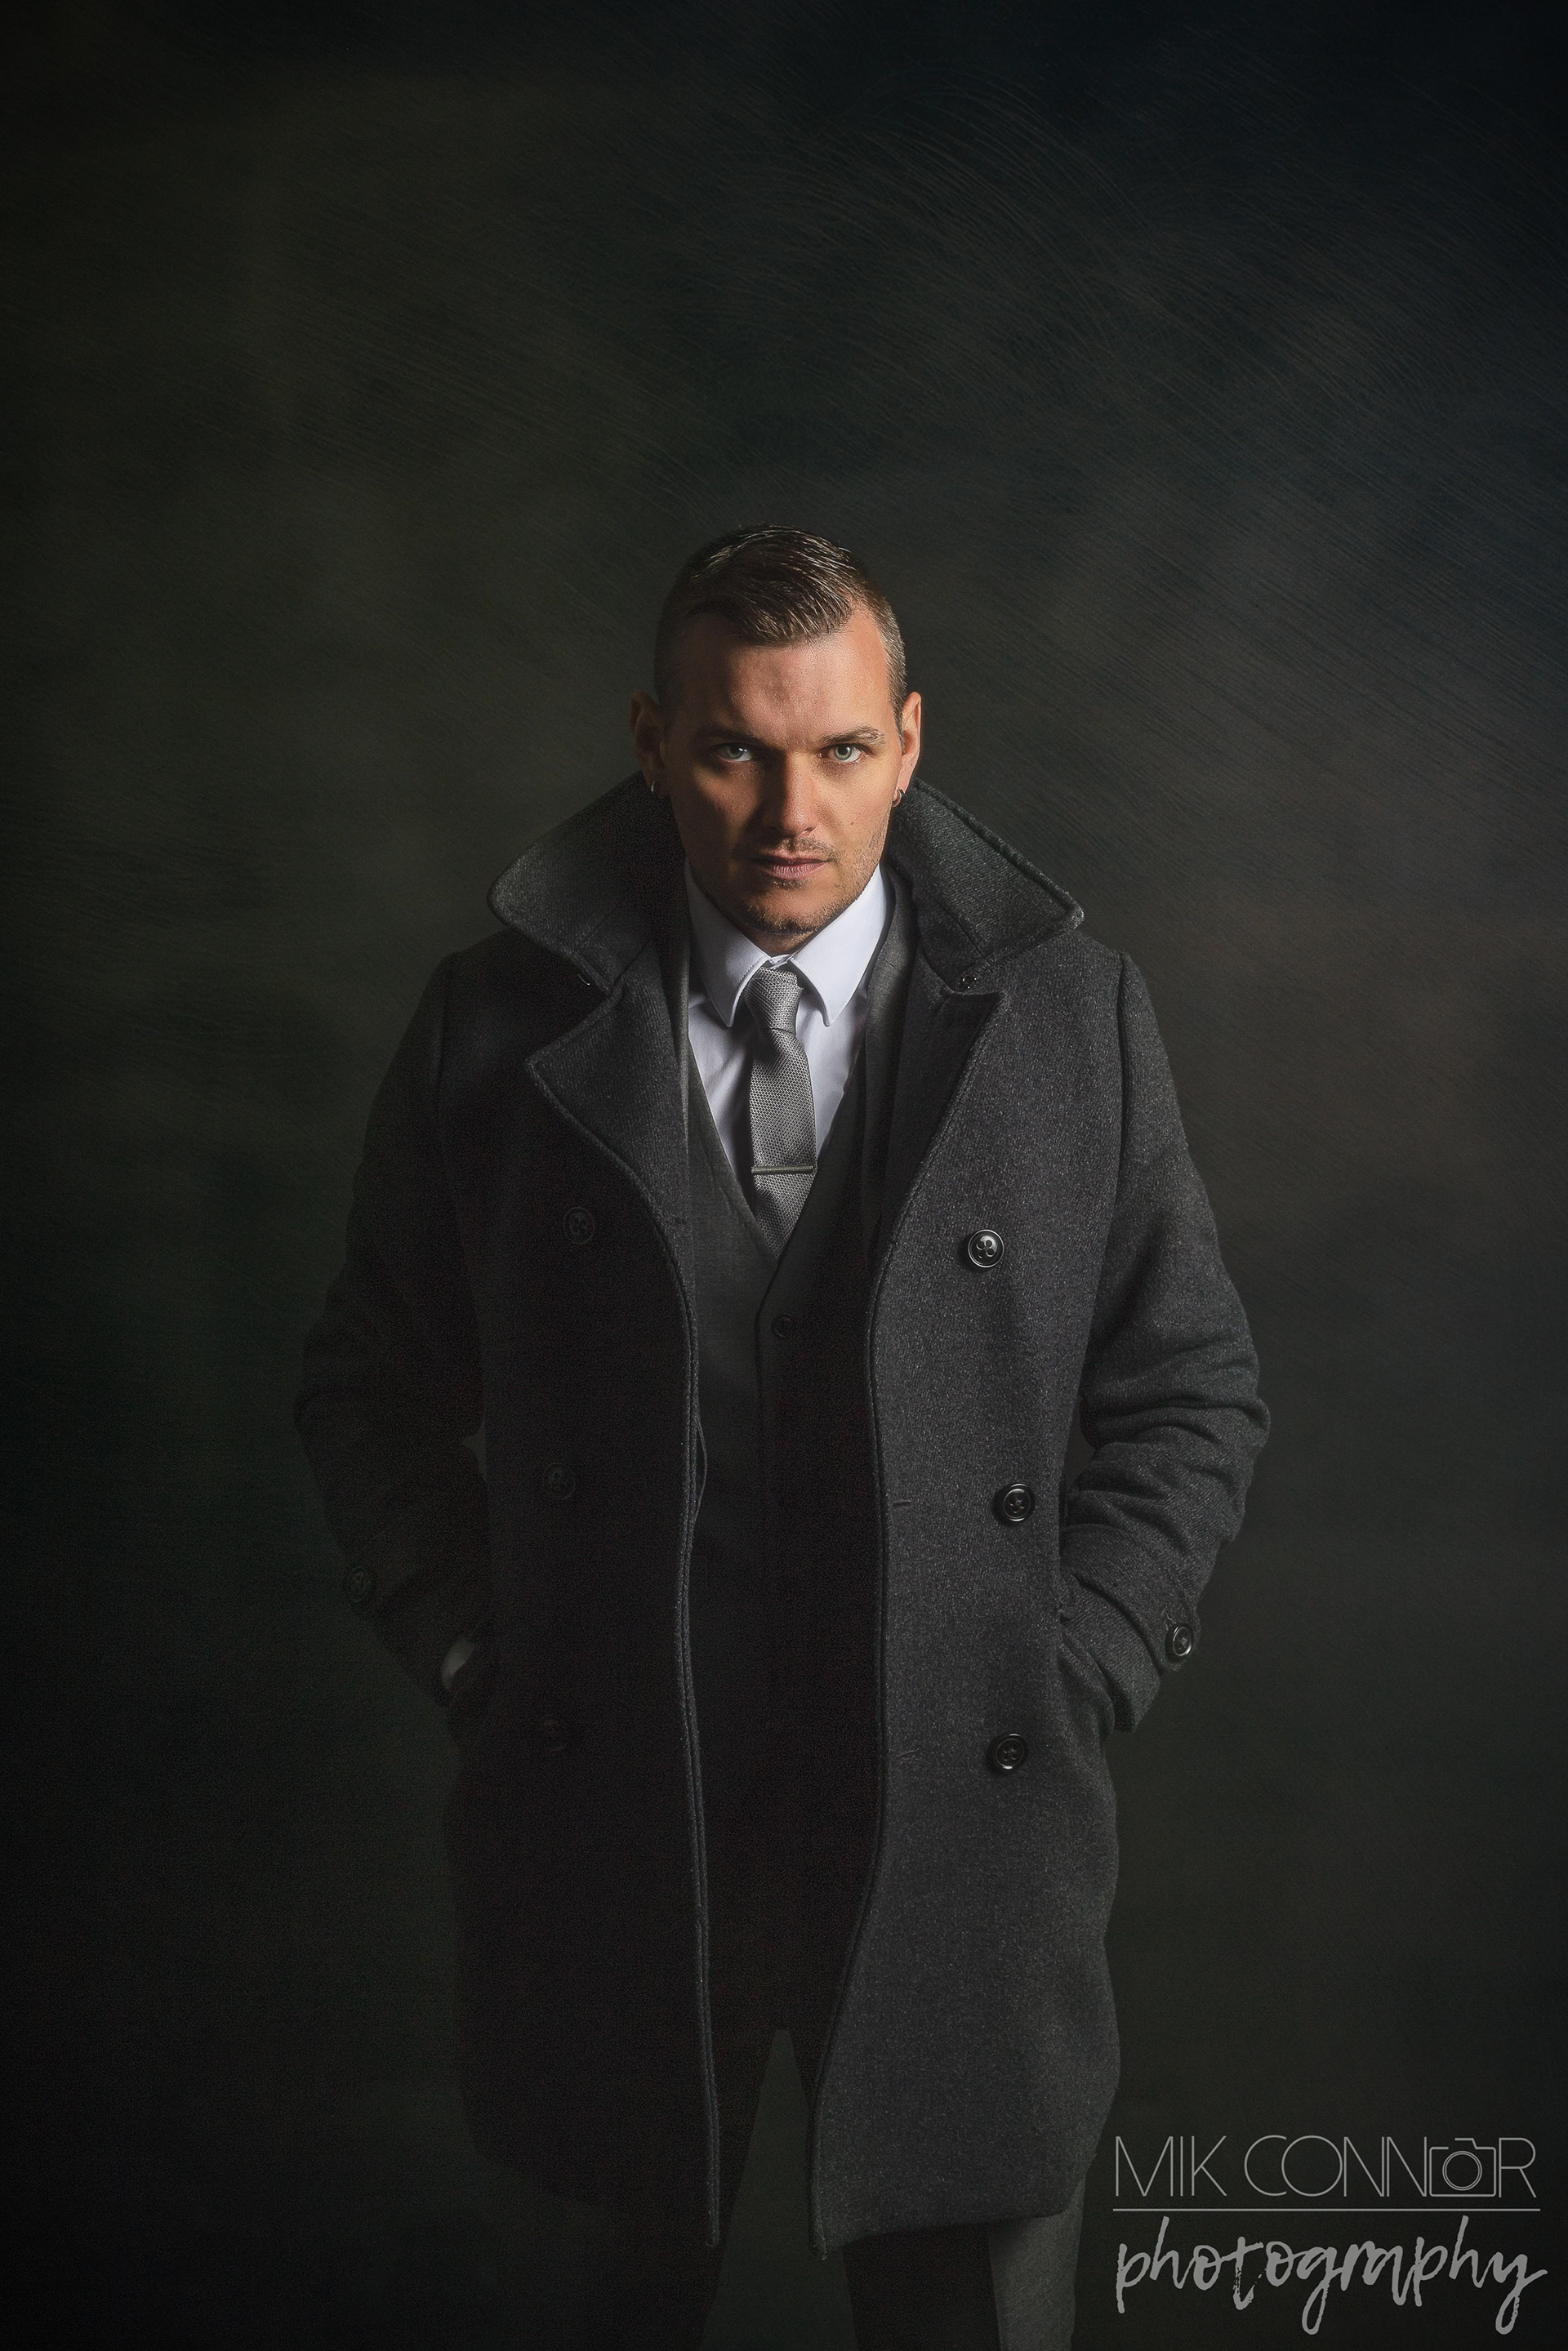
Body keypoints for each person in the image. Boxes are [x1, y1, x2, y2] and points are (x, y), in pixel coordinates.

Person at [296, 526, 1269, 2348]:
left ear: (909, 743)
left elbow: (1191, 1388)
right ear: (654, 741)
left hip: (962, 1821)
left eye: (835, 751)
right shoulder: (494, 1030)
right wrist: (466, 1638)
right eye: (737, 748)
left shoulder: (1073, 1027)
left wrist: (1076, 1660)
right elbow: (368, 1379)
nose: (786, 810)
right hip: (617, 1813)